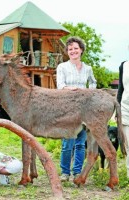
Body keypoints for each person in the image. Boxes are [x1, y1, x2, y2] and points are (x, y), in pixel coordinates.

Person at [56, 36, 97, 182]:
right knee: (68, 143)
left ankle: (77, 172)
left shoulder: (88, 68)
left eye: (75, 48)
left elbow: (93, 83)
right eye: (70, 49)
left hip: (84, 109)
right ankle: (65, 173)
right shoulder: (62, 67)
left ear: (81, 50)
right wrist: (71, 88)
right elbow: (60, 85)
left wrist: (88, 91)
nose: (73, 51)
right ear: (67, 52)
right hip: (68, 107)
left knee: (80, 143)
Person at [117, 60, 129, 178]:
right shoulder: (124, 65)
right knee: (128, 145)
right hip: (126, 110)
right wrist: (118, 110)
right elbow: (120, 89)